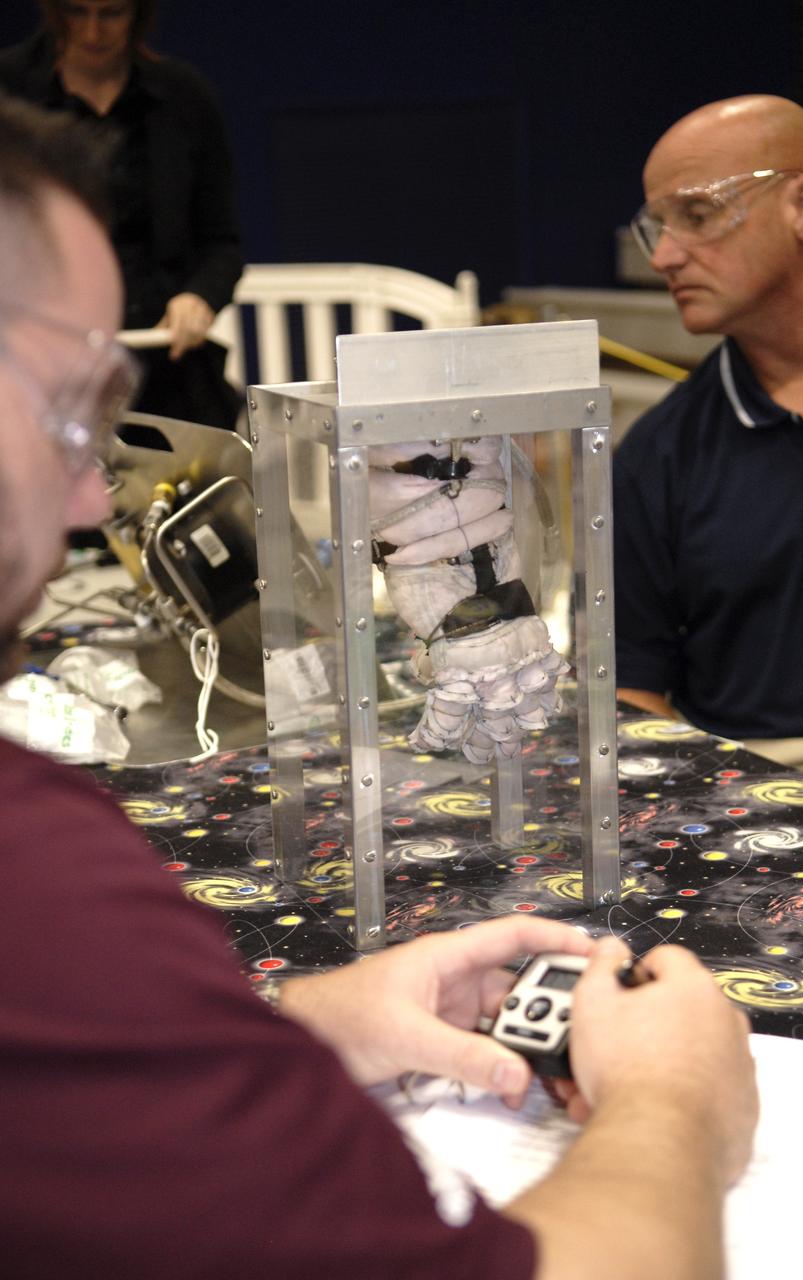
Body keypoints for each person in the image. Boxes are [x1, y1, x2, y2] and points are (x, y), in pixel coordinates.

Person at [0, 95, 757, 1279]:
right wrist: (673, 1103)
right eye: (69, 405)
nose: (98, 496)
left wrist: (292, 1023)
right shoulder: (40, 883)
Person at [615, 95, 803, 786]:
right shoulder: (657, 456)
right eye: (657, 225)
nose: (664, 255)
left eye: (697, 214)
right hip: (753, 792)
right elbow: (633, 687)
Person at [0, 0, 243, 429]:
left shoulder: (184, 97)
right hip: (46, 373)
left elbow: (221, 241)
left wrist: (199, 297)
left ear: (138, 14)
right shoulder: (10, 89)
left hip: (166, 363)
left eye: (111, 13)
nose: (93, 32)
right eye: (77, 12)